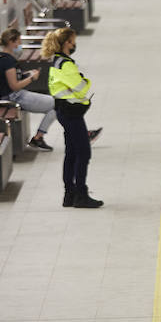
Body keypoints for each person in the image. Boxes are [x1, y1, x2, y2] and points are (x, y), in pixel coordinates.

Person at [43, 27, 103, 208]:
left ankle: (69, 194)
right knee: (83, 152)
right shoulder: (66, 64)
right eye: (73, 41)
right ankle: (81, 196)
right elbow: (81, 87)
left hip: (64, 111)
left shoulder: (57, 61)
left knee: (71, 153)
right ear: (66, 43)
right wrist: (85, 81)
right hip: (71, 113)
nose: (75, 44)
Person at [0, 29, 55, 151]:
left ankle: (39, 137)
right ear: (11, 42)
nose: (19, 45)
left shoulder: (1, 57)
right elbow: (14, 86)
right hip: (13, 97)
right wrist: (32, 78)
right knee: (56, 105)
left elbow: (9, 78)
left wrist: (27, 74)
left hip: (13, 95)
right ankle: (38, 138)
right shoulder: (8, 61)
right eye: (18, 42)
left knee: (56, 105)